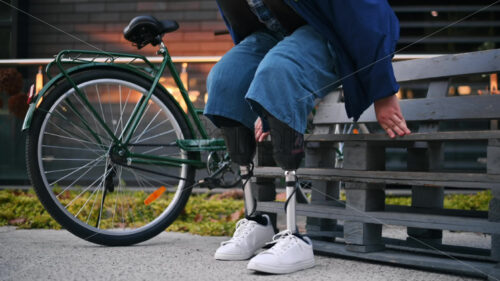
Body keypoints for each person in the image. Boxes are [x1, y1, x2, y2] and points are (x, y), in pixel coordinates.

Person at [203, 0, 411, 274]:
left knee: (279, 73)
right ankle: (258, 221)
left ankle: (296, 238)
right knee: (224, 80)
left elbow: (363, 13)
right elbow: (242, 23)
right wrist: (260, 98)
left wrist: (383, 91)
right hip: (279, 35)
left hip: (333, 30)